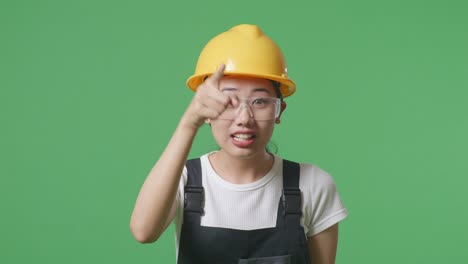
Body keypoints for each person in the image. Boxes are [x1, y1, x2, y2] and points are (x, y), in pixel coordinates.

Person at [130, 24, 348, 264]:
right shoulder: (182, 180)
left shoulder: (313, 184)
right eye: (229, 100)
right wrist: (189, 123)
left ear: (279, 111)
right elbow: (144, 232)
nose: (244, 118)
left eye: (259, 101)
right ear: (207, 109)